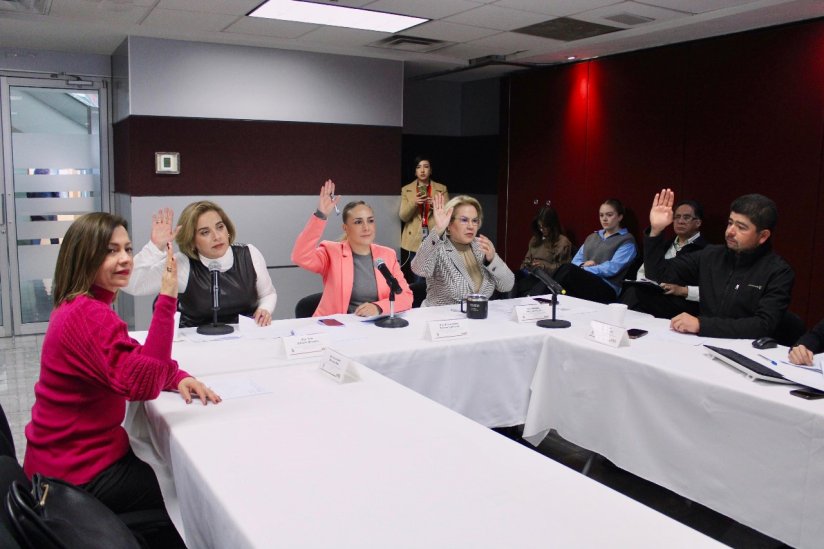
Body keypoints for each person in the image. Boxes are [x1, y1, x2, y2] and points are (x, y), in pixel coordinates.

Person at [23, 212, 220, 546]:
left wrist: (176, 376)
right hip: (75, 476)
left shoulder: (83, 307)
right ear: (84, 256)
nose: (126, 258)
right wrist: (167, 298)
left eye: (127, 249)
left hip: (65, 461)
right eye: (111, 251)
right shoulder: (87, 315)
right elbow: (143, 383)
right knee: (189, 491)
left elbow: (132, 356)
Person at [645, 189, 794, 338]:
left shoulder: (778, 271)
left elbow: (763, 325)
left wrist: (702, 325)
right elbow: (658, 273)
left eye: (741, 227)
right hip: (703, 342)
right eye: (730, 223)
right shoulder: (711, 255)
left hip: (745, 347)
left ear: (763, 236)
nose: (730, 232)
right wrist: (656, 230)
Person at [125, 201, 277, 327]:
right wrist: (155, 247)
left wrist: (265, 309)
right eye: (205, 232)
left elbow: (268, 294)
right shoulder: (182, 264)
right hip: (194, 343)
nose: (217, 236)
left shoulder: (249, 254)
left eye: (220, 227)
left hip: (244, 339)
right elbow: (132, 284)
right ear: (191, 240)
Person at [292, 179, 413, 317]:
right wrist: (321, 215)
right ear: (346, 228)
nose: (366, 227)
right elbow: (300, 256)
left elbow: (405, 296)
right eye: (358, 222)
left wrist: (378, 307)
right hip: (337, 326)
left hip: (375, 324)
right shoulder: (332, 252)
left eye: (370, 221)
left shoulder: (387, 255)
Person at [411, 193, 514, 306]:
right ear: (449, 223)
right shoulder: (438, 246)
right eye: (464, 220)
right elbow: (419, 269)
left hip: (477, 314)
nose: (471, 226)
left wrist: (493, 260)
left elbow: (507, 285)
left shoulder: (481, 246)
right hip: (441, 315)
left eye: (475, 221)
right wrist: (438, 230)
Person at [621, 199, 707, 317]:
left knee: (636, 296)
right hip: (657, 294)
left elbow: (713, 290)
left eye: (686, 217)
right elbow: (644, 271)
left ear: (698, 223)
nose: (680, 221)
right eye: (677, 217)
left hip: (684, 302)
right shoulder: (664, 245)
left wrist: (683, 290)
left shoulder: (705, 251)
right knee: (633, 290)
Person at [553, 199, 637, 304]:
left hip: (607, 287)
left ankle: (539, 297)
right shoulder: (592, 237)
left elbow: (612, 268)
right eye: (601, 215)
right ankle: (543, 298)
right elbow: (575, 261)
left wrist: (585, 269)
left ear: (620, 217)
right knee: (563, 272)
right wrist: (582, 265)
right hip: (584, 281)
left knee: (567, 270)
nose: (604, 219)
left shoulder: (627, 240)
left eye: (609, 215)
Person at [399, 157, 448, 283]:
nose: (422, 170)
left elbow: (448, 215)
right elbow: (403, 216)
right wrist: (414, 203)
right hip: (414, 238)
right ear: (415, 172)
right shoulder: (406, 189)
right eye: (418, 167)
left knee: (436, 275)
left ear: (430, 170)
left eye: (426, 167)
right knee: (418, 277)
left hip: (434, 234)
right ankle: (420, 296)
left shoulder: (441, 189)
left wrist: (434, 205)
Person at [516, 205, 572, 297]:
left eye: (544, 227)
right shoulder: (535, 239)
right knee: (510, 280)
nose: (541, 230)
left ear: (552, 226)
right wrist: (528, 265)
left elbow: (562, 270)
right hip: (531, 274)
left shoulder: (562, 242)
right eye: (539, 226)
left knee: (527, 287)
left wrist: (544, 267)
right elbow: (526, 260)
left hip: (546, 278)